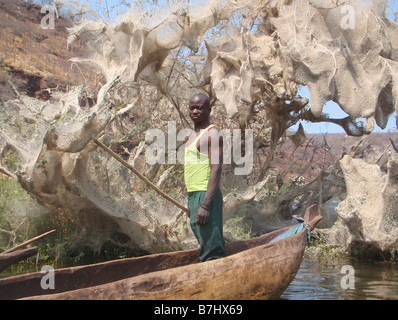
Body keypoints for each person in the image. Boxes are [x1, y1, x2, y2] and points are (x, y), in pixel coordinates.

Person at [184, 93, 226, 262]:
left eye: (199, 108)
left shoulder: (212, 134)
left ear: (209, 110)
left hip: (205, 195)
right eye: (192, 107)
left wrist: (206, 205)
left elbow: (216, 169)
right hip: (194, 194)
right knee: (204, 241)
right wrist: (192, 199)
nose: (195, 111)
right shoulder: (193, 134)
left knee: (212, 250)